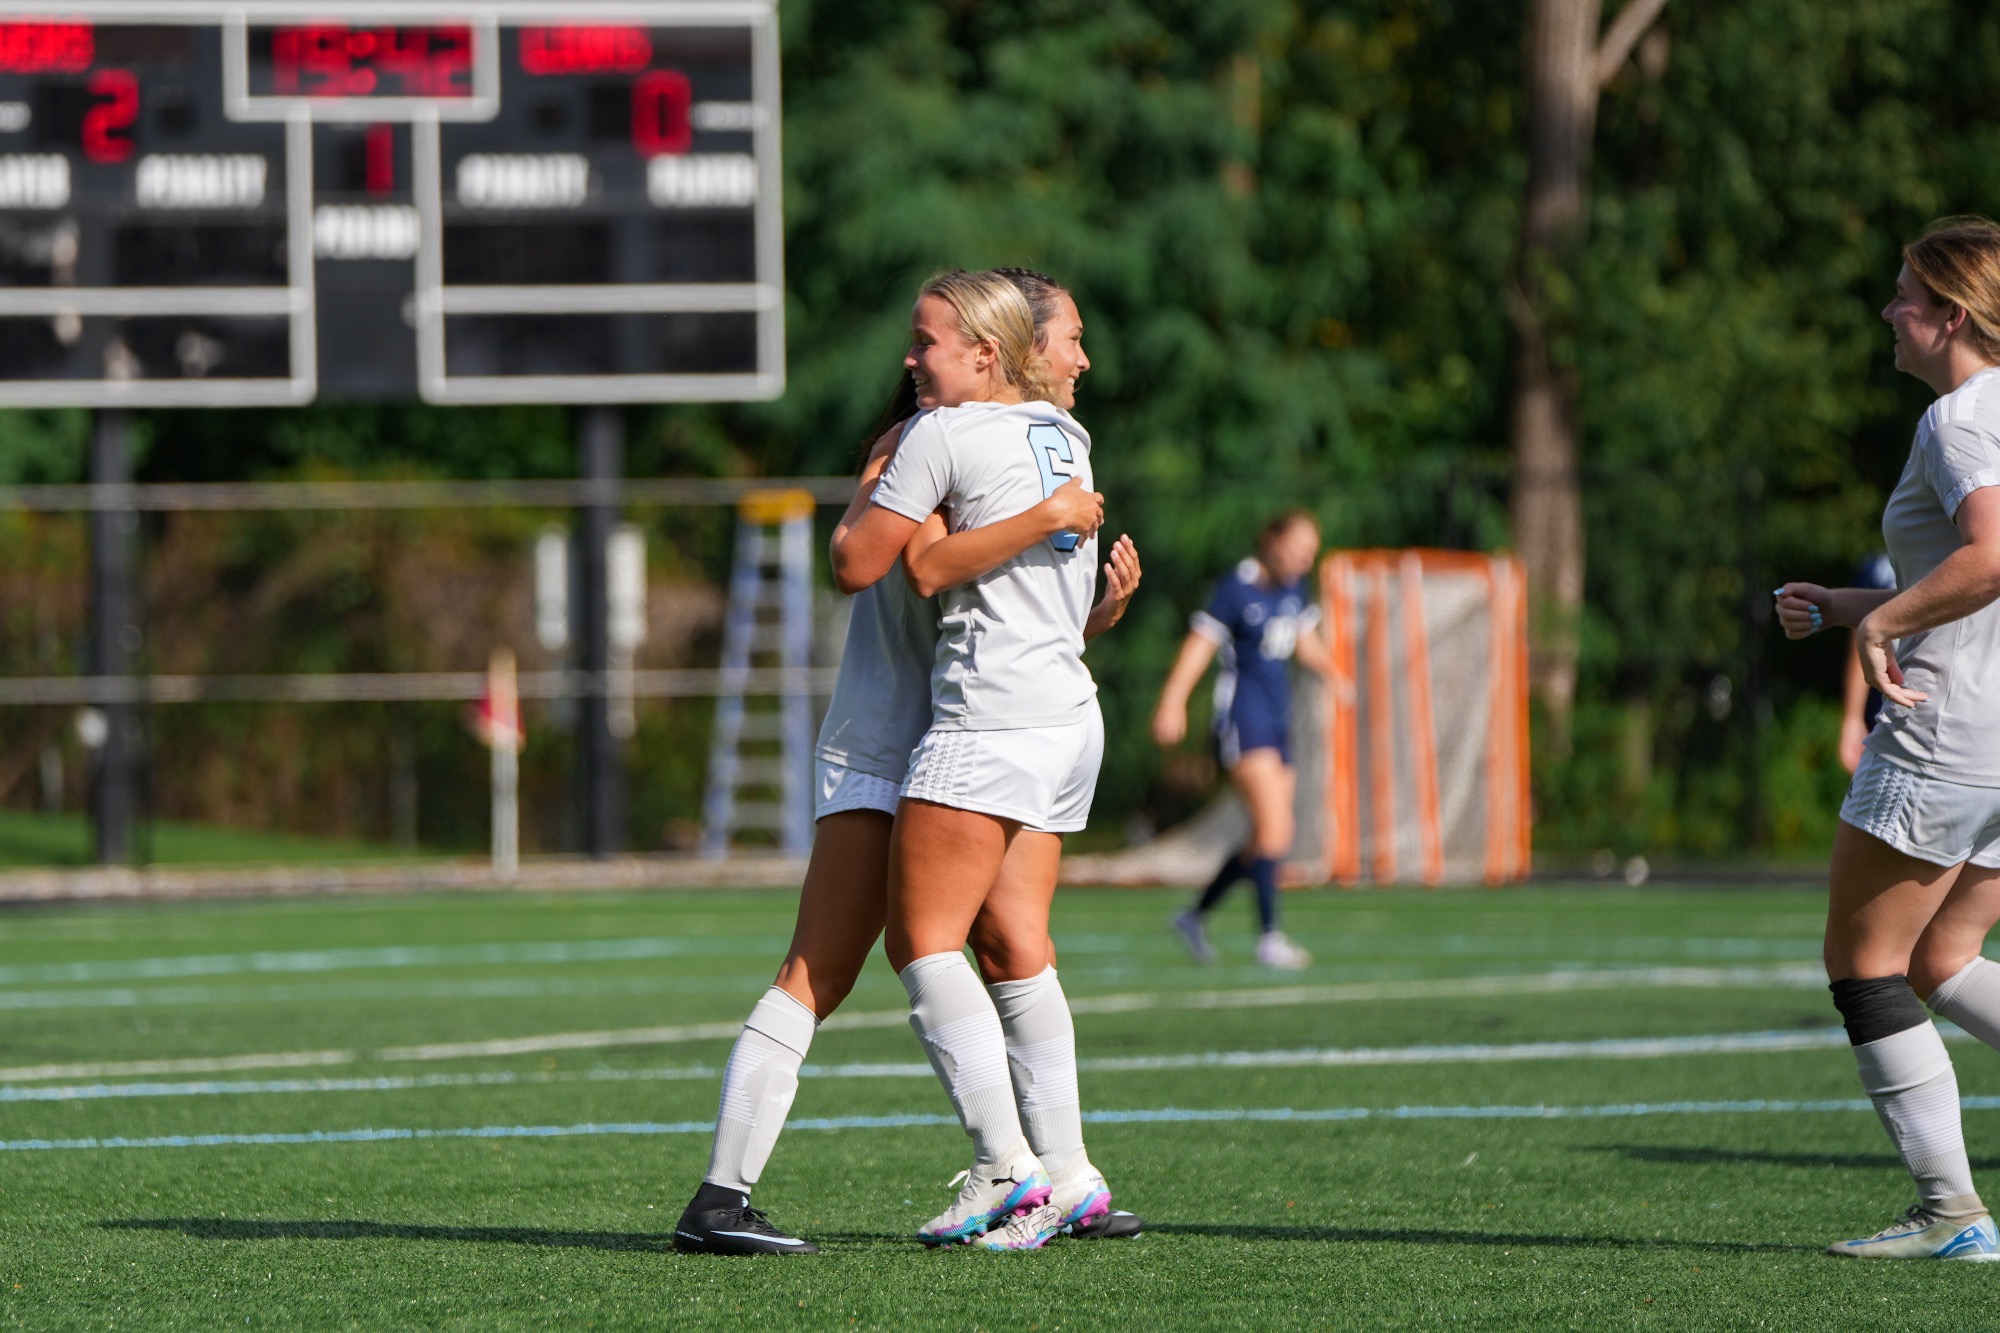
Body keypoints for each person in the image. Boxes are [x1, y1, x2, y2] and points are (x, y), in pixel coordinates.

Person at [673, 269, 1140, 1256]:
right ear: (1008, 346)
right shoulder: (926, 444)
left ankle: (1062, 1176)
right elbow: (894, 567)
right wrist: (1047, 523)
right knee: (825, 966)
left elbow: (1002, 614)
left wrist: (1085, 615)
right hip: (891, 740)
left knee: (1014, 943)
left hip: (972, 736)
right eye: (1068, 342)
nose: (1078, 360)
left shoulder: (1027, 443)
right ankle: (722, 1195)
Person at [832, 269, 1112, 1251]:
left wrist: (884, 478)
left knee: (921, 942)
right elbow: (1050, 594)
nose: (911, 361)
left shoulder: (940, 435)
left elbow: (888, 564)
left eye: (927, 345)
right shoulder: (1062, 435)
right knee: (1013, 943)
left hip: (988, 716)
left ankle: (1007, 1166)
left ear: (983, 355)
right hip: (1069, 713)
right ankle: (1072, 1173)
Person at [1775, 215, 2000, 1261]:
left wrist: (1879, 623)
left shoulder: (1956, 421)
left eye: (1902, 294)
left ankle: (1951, 1213)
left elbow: (1992, 557)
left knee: (1862, 962)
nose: (1887, 311)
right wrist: (1846, 600)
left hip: (1945, 727)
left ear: (1949, 314)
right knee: (1944, 954)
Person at [1151, 511, 1330, 969]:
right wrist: (1173, 700)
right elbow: (1199, 645)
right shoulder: (1236, 588)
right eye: (1299, 550)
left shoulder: (1293, 589)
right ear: (1272, 541)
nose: (1305, 562)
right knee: (1275, 831)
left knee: (1267, 837)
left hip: (1277, 721)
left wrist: (1338, 673)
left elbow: (1306, 642)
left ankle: (1195, 916)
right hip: (1242, 721)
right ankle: (1270, 938)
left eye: (1311, 554)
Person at [1839, 553, 1897, 772]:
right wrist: (1852, 718)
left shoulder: (1881, 569)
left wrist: (1852, 717)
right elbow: (1863, 640)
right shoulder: (1881, 570)